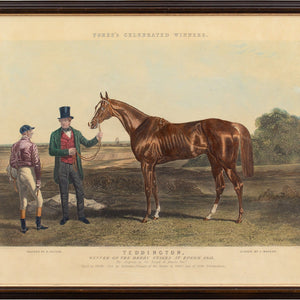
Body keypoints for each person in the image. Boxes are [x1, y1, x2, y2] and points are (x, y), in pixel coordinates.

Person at [49, 106, 102, 225]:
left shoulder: (77, 133)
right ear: (60, 121)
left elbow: (87, 144)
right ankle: (65, 217)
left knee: (80, 191)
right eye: (62, 120)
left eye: (66, 120)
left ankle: (81, 216)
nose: (64, 122)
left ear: (70, 121)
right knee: (64, 192)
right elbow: (51, 151)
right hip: (62, 166)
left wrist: (97, 138)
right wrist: (66, 152)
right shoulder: (54, 135)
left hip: (74, 166)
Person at [10, 125, 48, 233]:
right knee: (39, 199)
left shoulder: (14, 145)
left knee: (23, 201)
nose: (32, 133)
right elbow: (36, 163)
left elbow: (12, 162)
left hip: (19, 174)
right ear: (26, 132)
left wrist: (19, 165)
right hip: (27, 173)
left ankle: (23, 227)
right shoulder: (32, 145)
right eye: (31, 131)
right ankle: (38, 225)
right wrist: (38, 180)